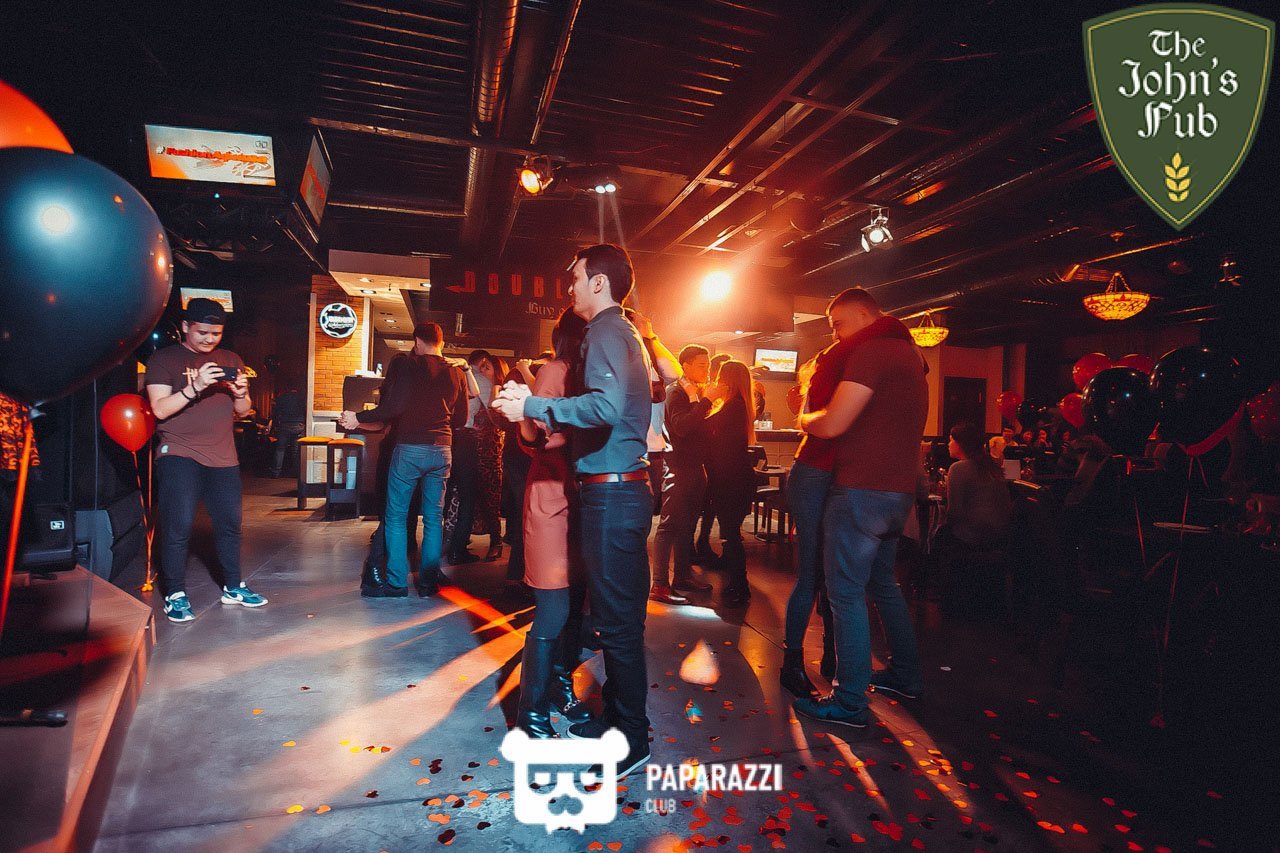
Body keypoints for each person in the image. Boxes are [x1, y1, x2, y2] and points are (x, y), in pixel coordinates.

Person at [492, 243, 654, 778]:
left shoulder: (606, 331)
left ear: (599, 283)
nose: (569, 288)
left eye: (576, 278)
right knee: (614, 621)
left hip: (614, 495)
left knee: (618, 627)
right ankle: (620, 721)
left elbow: (606, 408)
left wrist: (531, 405)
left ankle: (633, 739)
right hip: (616, 491)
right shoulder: (621, 331)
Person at [792, 287, 928, 727]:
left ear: (866, 315)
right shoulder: (912, 356)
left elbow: (833, 422)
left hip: (861, 492)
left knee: (845, 593)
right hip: (898, 494)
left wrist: (804, 417)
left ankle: (849, 701)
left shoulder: (872, 352)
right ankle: (906, 675)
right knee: (884, 585)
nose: (835, 334)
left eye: (838, 324)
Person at [144, 298, 265, 622]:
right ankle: (175, 593)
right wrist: (195, 386)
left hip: (223, 456)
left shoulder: (231, 359)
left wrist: (240, 393)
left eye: (216, 333)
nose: (210, 339)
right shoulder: (164, 359)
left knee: (229, 525)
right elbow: (159, 409)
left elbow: (243, 411)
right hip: (179, 452)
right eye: (202, 332)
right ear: (185, 326)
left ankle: (233, 587)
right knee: (178, 525)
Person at [338, 322, 469, 597]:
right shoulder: (457, 372)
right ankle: (428, 583)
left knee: (396, 516)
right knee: (433, 518)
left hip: (410, 448)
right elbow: (461, 419)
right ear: (441, 342)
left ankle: (397, 584)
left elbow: (393, 407)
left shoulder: (411, 365)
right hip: (442, 449)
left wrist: (358, 417)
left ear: (418, 341)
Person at [511, 308, 593, 737]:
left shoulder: (591, 376)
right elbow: (531, 435)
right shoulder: (556, 370)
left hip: (581, 502)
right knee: (554, 609)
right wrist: (526, 418)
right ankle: (530, 713)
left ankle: (560, 688)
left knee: (574, 609)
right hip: (550, 499)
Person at [650, 344, 714, 605]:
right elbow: (682, 427)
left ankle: (682, 576)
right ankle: (659, 584)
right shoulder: (677, 391)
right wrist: (706, 402)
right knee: (669, 525)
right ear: (685, 365)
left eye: (708, 365)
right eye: (702, 365)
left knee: (687, 525)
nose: (707, 370)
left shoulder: (693, 392)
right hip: (679, 466)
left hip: (694, 466)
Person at [705, 361, 757, 607]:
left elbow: (705, 427)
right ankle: (735, 579)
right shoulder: (739, 405)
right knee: (731, 532)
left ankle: (740, 585)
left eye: (720, 377)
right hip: (737, 477)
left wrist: (706, 400)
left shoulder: (732, 407)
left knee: (731, 534)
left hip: (731, 479)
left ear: (728, 379)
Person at [693, 353, 733, 563]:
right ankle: (698, 543)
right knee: (703, 503)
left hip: (713, 457)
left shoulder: (720, 396)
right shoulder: (706, 391)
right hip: (706, 456)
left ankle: (701, 541)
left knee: (709, 504)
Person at [470, 350, 509, 561]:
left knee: (490, 496)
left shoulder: (499, 391)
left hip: (490, 448)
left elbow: (498, 420)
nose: (482, 371)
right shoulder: (476, 388)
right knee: (466, 495)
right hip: (472, 446)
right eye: (481, 367)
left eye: (486, 367)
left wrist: (492, 393)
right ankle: (460, 538)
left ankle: (496, 541)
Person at [267, 379, 305, 478]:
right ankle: (296, 473)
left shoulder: (281, 398)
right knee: (295, 450)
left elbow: (276, 413)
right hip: (298, 425)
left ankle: (276, 472)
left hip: (284, 425)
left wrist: (274, 427)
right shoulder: (302, 398)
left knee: (280, 449)